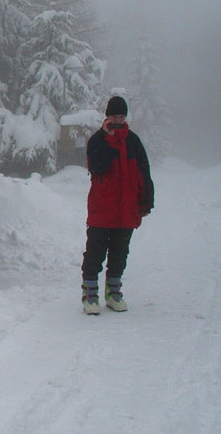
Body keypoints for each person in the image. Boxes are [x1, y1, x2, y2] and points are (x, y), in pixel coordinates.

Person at [81, 95, 154, 314]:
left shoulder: (133, 141)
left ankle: (113, 293)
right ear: (107, 117)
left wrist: (146, 200)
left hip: (126, 210)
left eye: (121, 116)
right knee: (95, 252)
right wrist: (110, 140)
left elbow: (144, 171)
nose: (118, 120)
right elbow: (98, 167)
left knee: (120, 253)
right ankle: (90, 295)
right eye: (114, 116)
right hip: (102, 209)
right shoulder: (97, 140)